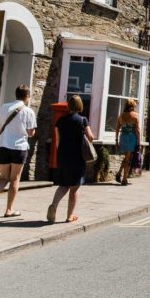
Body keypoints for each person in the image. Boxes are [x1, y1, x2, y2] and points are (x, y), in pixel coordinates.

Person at [0, 84, 36, 219]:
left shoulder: (5, 107)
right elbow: (30, 133)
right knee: (14, 179)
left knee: (3, 178)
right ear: (27, 96)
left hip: (2, 146)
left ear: (16, 94)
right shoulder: (28, 111)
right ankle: (9, 210)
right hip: (19, 147)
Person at [47, 95, 94, 223]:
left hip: (63, 155)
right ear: (80, 106)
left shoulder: (60, 120)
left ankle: (54, 205)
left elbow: (58, 140)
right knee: (74, 187)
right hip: (77, 156)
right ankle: (70, 215)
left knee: (63, 184)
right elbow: (90, 137)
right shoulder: (83, 120)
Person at [114, 99, 141, 185]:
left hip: (123, 138)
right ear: (133, 106)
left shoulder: (121, 116)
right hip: (131, 138)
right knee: (127, 160)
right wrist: (139, 142)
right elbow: (138, 130)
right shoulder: (135, 116)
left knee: (126, 158)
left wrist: (116, 141)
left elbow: (117, 129)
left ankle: (118, 174)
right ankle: (124, 179)